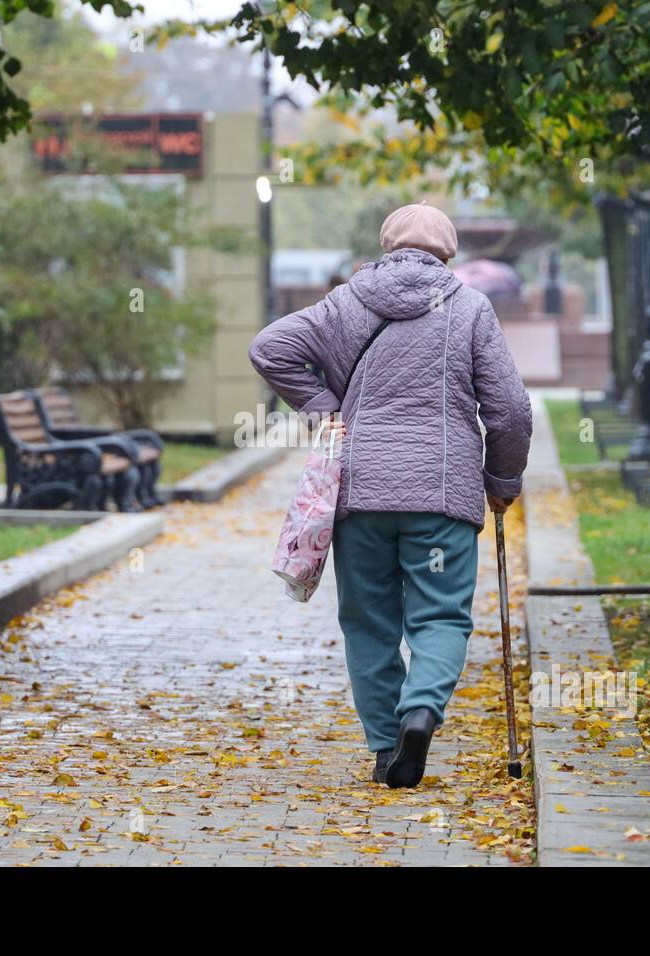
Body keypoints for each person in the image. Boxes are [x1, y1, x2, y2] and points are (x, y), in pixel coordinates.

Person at [249, 201, 532, 788]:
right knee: (441, 614)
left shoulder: (346, 303)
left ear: (386, 245)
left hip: (361, 493)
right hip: (442, 496)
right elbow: (509, 410)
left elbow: (270, 348)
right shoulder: (471, 308)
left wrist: (324, 410)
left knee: (368, 619)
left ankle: (385, 747)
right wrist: (503, 483)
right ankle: (422, 711)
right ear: (447, 252)